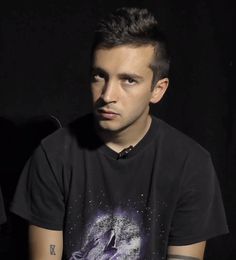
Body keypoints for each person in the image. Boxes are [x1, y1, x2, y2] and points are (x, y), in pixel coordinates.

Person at [10, 7, 228, 260]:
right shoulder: (53, 156)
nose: (107, 95)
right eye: (99, 76)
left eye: (129, 80)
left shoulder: (190, 164)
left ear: (158, 90)